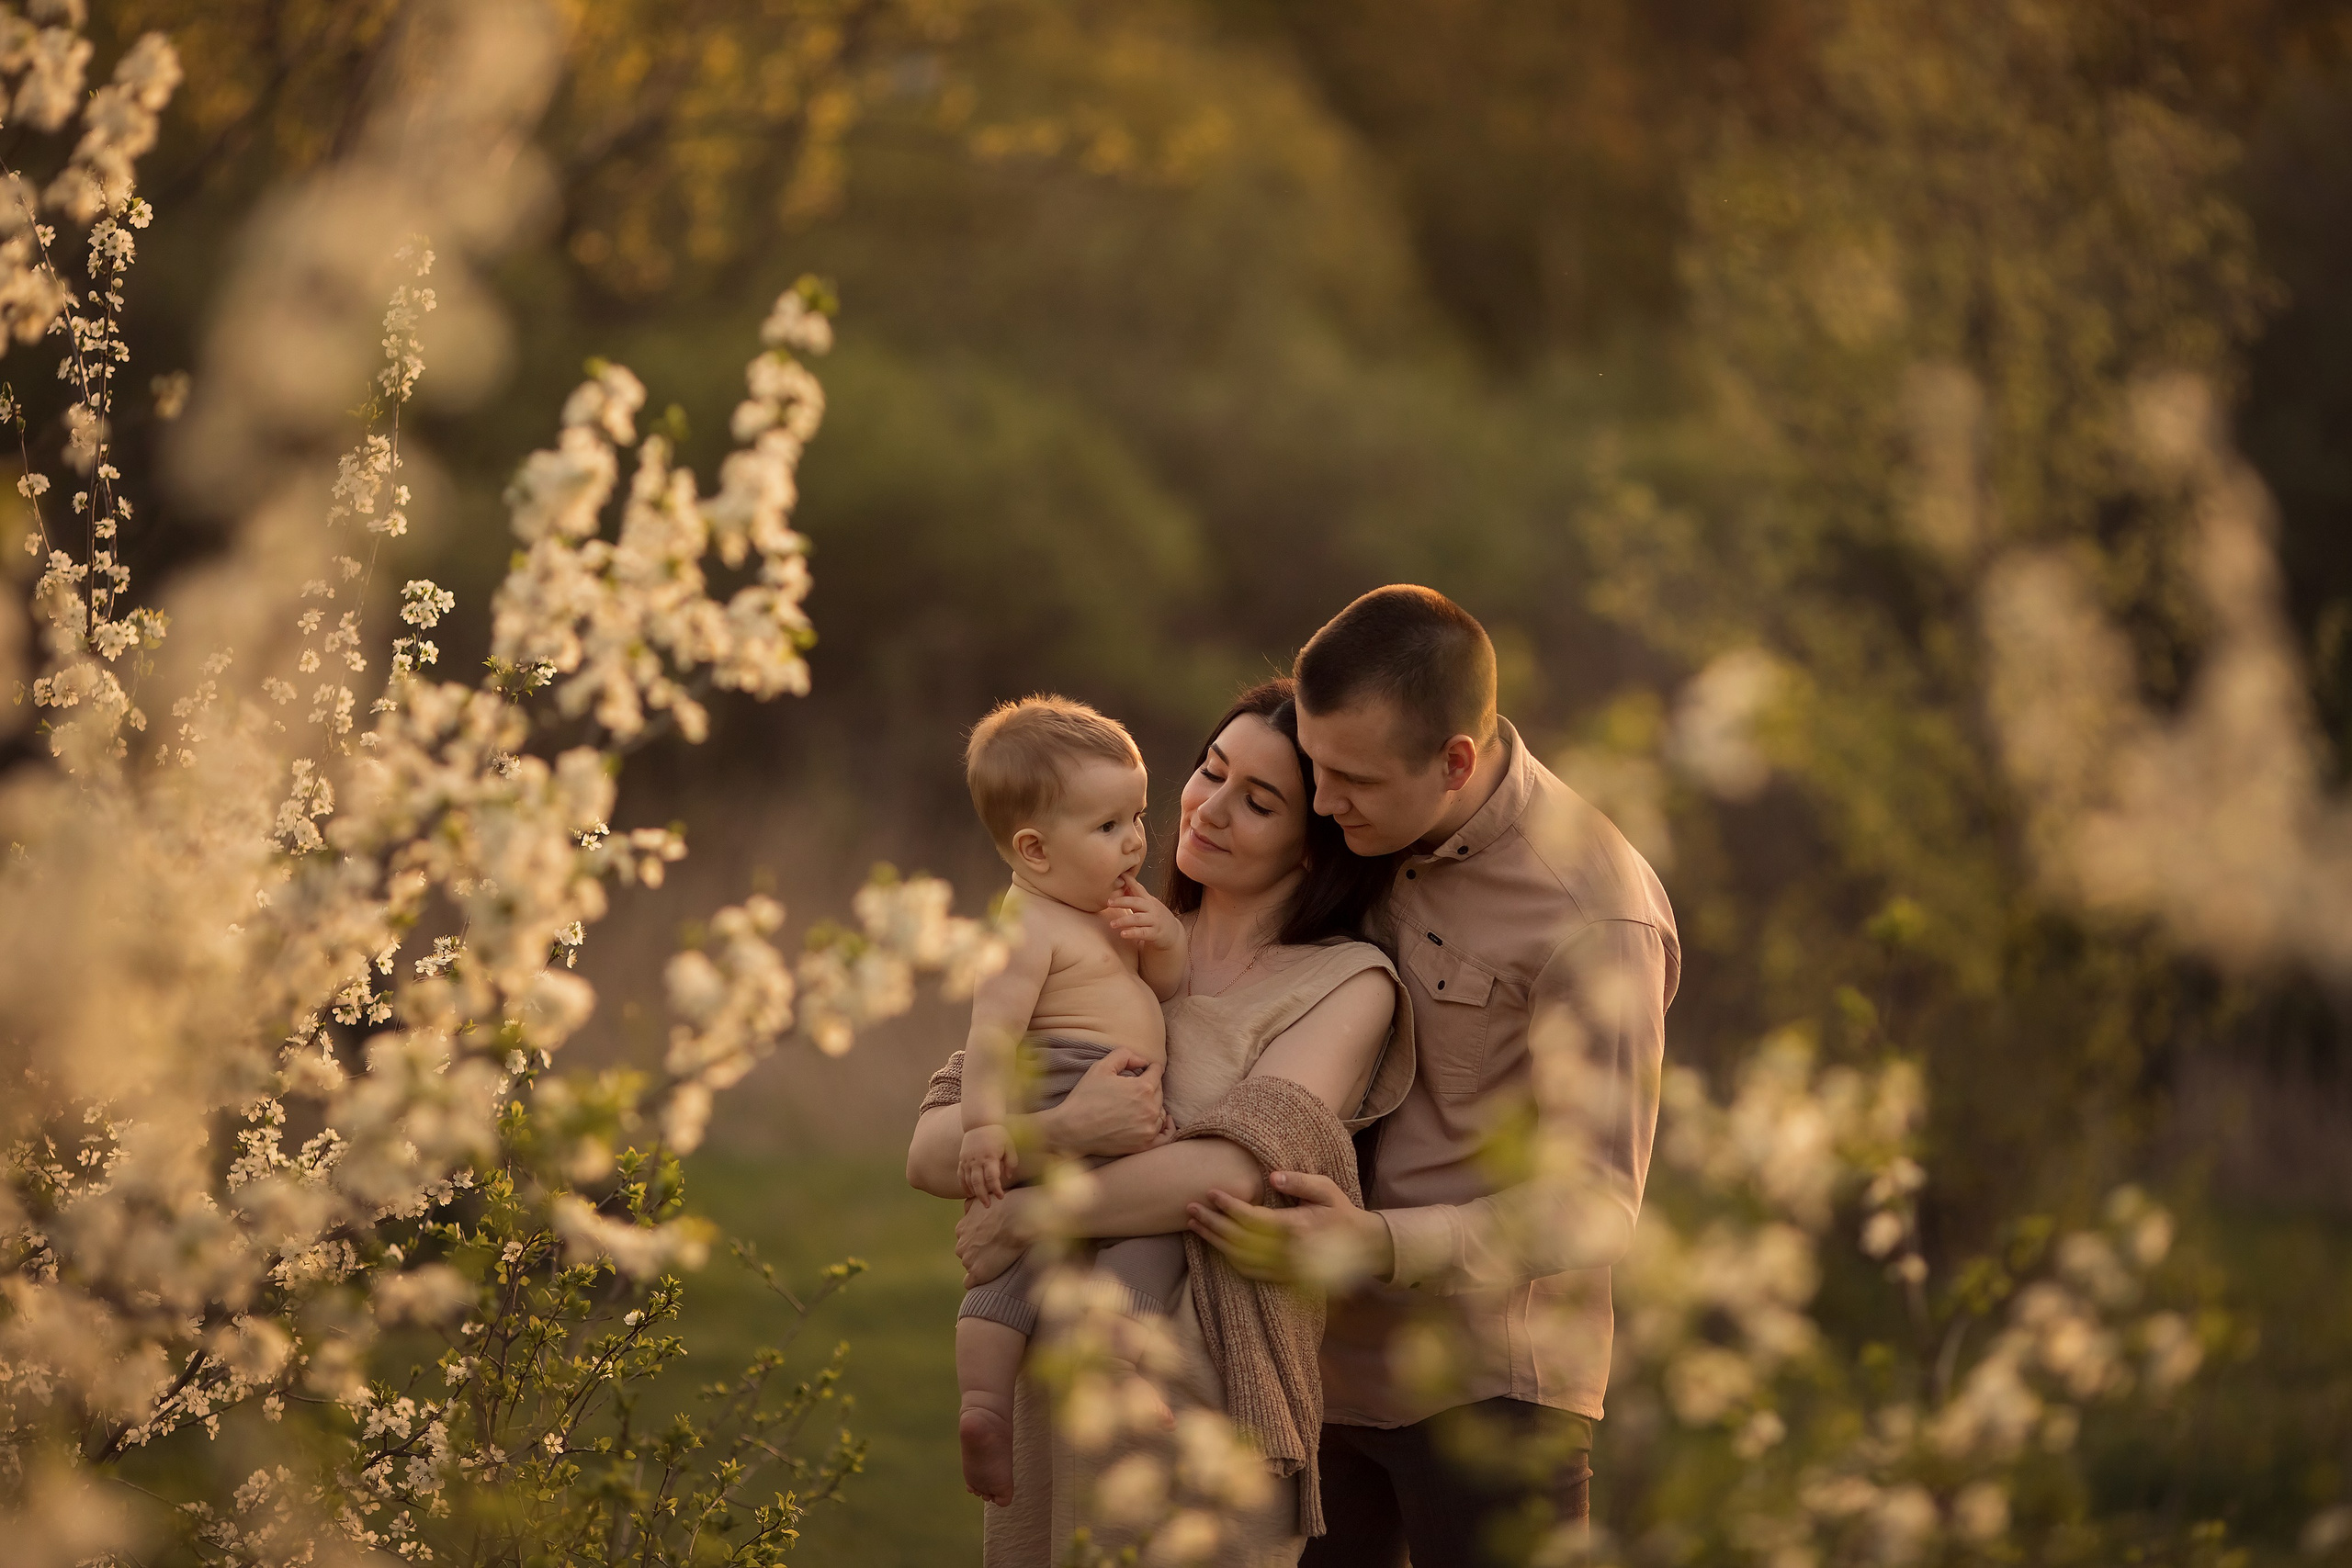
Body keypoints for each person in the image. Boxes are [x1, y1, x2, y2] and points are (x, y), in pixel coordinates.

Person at [1185, 585, 1679, 1568]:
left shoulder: (1592, 914)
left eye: (1352, 781)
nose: (1323, 805)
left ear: (1456, 760)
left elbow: (1596, 1205)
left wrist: (1372, 1244)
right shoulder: (1357, 827)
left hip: (1490, 1393)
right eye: (1316, 770)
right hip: (1311, 1364)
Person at [908, 680, 1414, 1565]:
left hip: (1204, 1400)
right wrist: (1066, 1128)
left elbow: (1226, 1172)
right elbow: (931, 1150)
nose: (1209, 809)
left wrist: (1029, 1210)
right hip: (1050, 1378)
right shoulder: (1093, 933)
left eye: (1258, 801)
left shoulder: (1345, 982)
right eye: (1209, 772)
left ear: (1314, 844)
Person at [947, 695, 1193, 1506]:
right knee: (1148, 1232)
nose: (1135, 841)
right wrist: (985, 1126)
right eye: (1108, 826)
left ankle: (989, 1403)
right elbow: (991, 1033)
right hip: (1066, 1082)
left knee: (1032, 1259)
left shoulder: (1099, 912)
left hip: (1109, 1099)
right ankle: (1081, 1376)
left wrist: (1166, 942)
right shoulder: (1025, 926)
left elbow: (1162, 990)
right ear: (1034, 849)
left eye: (1139, 816)